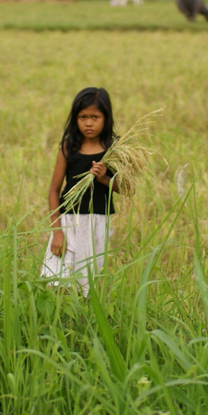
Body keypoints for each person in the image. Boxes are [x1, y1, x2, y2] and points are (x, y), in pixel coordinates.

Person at [43, 87, 120, 296]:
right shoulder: (69, 148)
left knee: (90, 282)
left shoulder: (113, 149)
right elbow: (53, 191)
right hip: (68, 222)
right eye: (82, 117)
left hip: (97, 223)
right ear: (75, 119)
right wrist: (57, 232)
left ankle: (85, 322)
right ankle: (57, 322)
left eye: (95, 117)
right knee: (57, 280)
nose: (88, 123)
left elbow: (124, 187)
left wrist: (104, 177)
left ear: (106, 118)